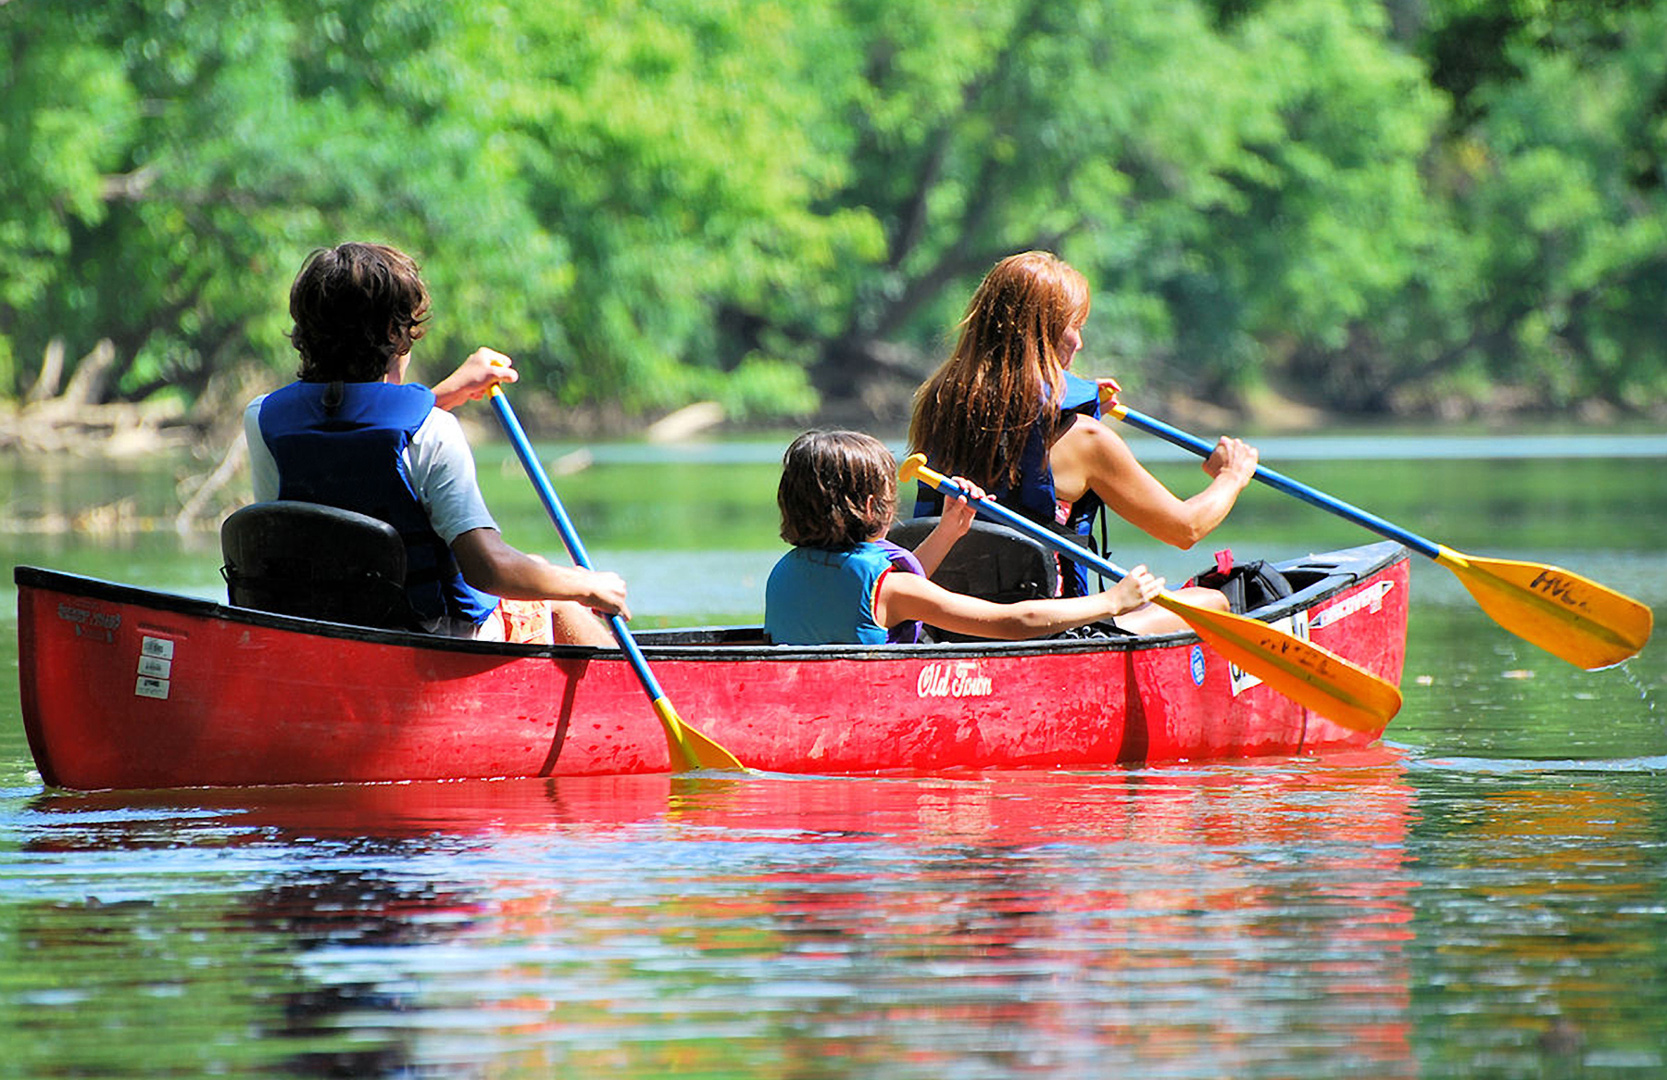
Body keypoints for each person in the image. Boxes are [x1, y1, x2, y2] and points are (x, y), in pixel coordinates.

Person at [243, 241, 627, 646]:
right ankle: (622, 684)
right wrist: (587, 586)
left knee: (538, 573)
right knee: (554, 597)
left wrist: (445, 394)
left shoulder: (263, 418)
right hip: (432, 636)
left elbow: (355, 438)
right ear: (394, 334)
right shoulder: (433, 429)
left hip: (318, 631)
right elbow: (488, 569)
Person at [908, 250, 1259, 634]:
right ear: (1045, 333)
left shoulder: (940, 413)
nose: (1080, 342)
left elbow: (1012, 429)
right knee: (1214, 600)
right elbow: (1185, 529)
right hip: (1053, 629)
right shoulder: (1085, 440)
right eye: (1075, 325)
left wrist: (1080, 403)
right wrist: (1232, 475)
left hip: (948, 627)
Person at [764, 430, 1164, 646]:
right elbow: (1015, 622)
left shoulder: (785, 571)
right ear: (872, 507)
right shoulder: (892, 589)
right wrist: (1112, 601)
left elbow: (882, 597)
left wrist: (949, 530)